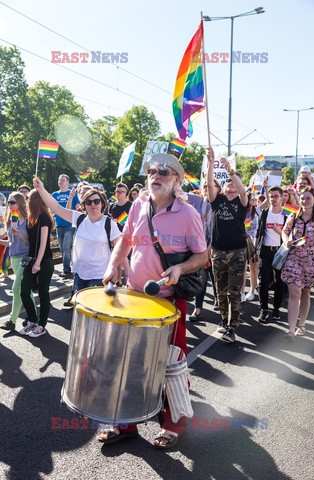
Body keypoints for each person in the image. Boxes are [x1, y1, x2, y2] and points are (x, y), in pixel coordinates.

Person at [101, 153, 207, 449]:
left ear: (176, 181)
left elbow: (202, 256)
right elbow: (125, 240)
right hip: (135, 298)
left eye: (165, 171)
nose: (156, 175)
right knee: (129, 362)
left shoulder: (188, 214)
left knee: (170, 363)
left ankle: (175, 421)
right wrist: (112, 266)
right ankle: (126, 423)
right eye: (152, 171)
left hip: (168, 302)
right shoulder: (138, 205)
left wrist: (180, 268)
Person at [33, 177, 121, 293]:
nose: (92, 204)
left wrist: (123, 274)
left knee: (91, 309)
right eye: (88, 202)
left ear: (103, 203)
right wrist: (41, 189)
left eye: (96, 201)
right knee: (79, 308)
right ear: (84, 205)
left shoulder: (109, 224)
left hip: (100, 275)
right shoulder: (79, 219)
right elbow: (56, 207)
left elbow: (120, 249)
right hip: (80, 274)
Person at [207, 148, 249, 343]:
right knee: (220, 291)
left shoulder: (242, 202)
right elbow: (209, 185)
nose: (231, 183)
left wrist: (230, 170)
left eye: (234, 181)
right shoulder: (218, 200)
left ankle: (233, 327)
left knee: (234, 292)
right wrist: (211, 163)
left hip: (237, 253)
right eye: (229, 181)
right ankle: (223, 321)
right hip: (218, 252)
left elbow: (243, 191)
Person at [281, 187, 314, 340]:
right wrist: (286, 241)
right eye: (302, 198)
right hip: (294, 258)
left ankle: (302, 325)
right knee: (294, 292)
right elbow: (285, 231)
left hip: (312, 260)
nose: (304, 201)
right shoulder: (294, 216)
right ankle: (291, 330)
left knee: (305, 292)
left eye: (308, 198)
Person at [19, 190, 55, 337]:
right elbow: (31, 241)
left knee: (43, 293)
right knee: (24, 291)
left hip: (44, 261)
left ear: (34, 201)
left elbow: (43, 243)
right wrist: (19, 234)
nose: (26, 201)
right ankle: (32, 319)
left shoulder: (44, 218)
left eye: (28, 198)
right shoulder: (31, 218)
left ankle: (42, 325)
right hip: (31, 259)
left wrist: (38, 263)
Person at [0, 192, 36, 330]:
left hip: (25, 258)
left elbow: (31, 242)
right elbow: (11, 243)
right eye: (8, 202)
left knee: (16, 289)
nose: (9, 204)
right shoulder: (10, 220)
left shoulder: (28, 220)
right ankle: (34, 317)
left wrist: (19, 233)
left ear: (20, 203)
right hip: (14, 257)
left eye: (12, 202)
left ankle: (11, 320)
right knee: (26, 290)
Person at [255, 186, 287, 322]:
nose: (273, 199)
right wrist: (256, 250)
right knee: (263, 281)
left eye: (276, 196)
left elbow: (291, 236)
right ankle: (264, 310)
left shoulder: (286, 215)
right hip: (265, 251)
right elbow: (258, 233)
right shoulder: (265, 213)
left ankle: (276, 309)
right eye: (271, 196)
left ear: (282, 197)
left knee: (280, 281)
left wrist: (280, 232)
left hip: (280, 251)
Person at [188, 181, 217, 321]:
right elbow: (179, 194)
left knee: (216, 277)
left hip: (215, 246)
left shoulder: (219, 203)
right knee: (201, 278)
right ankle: (197, 308)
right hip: (199, 246)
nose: (207, 189)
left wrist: (209, 249)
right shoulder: (198, 200)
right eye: (205, 187)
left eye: (211, 186)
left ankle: (219, 299)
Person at [52, 174, 80, 279]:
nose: (61, 182)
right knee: (62, 248)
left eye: (63, 180)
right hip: (59, 225)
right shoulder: (55, 194)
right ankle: (68, 266)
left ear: (67, 182)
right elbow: (51, 208)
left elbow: (77, 206)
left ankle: (67, 270)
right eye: (60, 180)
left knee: (67, 246)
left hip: (69, 225)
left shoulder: (72, 193)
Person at [109, 182, 132, 285]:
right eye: (116, 191)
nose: (118, 194)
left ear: (126, 193)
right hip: (115, 236)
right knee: (117, 258)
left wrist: (123, 221)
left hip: (127, 235)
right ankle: (118, 280)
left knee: (127, 258)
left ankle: (129, 278)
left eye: (120, 192)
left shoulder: (130, 205)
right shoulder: (112, 206)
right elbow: (110, 219)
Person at [242, 193, 260, 301]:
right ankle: (242, 291)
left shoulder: (257, 210)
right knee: (242, 268)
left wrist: (265, 187)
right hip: (243, 241)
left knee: (253, 268)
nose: (253, 200)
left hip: (254, 242)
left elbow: (267, 200)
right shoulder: (241, 211)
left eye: (254, 198)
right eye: (251, 198)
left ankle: (252, 290)